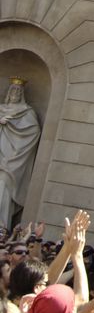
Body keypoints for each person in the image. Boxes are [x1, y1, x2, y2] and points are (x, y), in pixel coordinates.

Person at [0, 80, 40, 230]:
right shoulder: (1, 109)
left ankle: (2, 226)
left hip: (12, 160)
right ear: (9, 92)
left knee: (3, 186)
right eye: (13, 91)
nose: (15, 94)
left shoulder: (27, 111)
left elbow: (33, 131)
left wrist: (12, 126)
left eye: (18, 91)